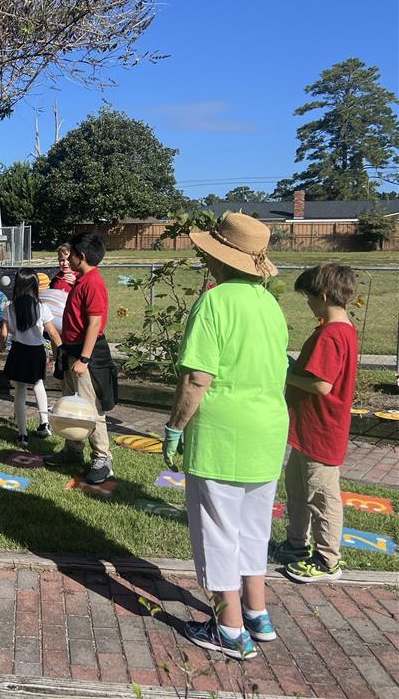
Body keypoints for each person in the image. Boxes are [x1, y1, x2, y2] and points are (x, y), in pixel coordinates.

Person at [162, 213, 287, 660]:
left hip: (222, 433)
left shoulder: (214, 302)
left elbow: (197, 377)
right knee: (254, 529)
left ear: (219, 255)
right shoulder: (269, 303)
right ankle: (257, 612)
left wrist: (174, 427)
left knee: (216, 530)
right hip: (269, 430)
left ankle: (230, 630)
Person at [273, 264, 358, 583]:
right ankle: (297, 544)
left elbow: (322, 384)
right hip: (309, 430)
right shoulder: (340, 329)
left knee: (322, 497)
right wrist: (295, 367)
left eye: (309, 298)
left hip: (323, 431)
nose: (307, 304)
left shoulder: (332, 334)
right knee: (296, 488)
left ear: (323, 296)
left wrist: (285, 374)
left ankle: (327, 559)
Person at [43, 232, 117, 484]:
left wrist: (84, 359)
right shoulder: (80, 280)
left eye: (71, 253)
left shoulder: (93, 282)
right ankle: (72, 451)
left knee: (89, 407)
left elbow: (95, 322)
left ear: (80, 257)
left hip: (88, 354)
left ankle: (102, 458)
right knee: (71, 405)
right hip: (71, 350)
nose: (67, 258)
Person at [0, 268, 62, 447]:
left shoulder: (9, 308)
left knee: (19, 391)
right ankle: (44, 424)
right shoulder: (42, 307)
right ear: (35, 286)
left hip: (19, 351)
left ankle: (22, 434)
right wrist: (58, 353)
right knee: (39, 385)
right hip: (37, 352)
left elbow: (4, 334)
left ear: (17, 286)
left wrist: (1, 347)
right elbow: (53, 334)